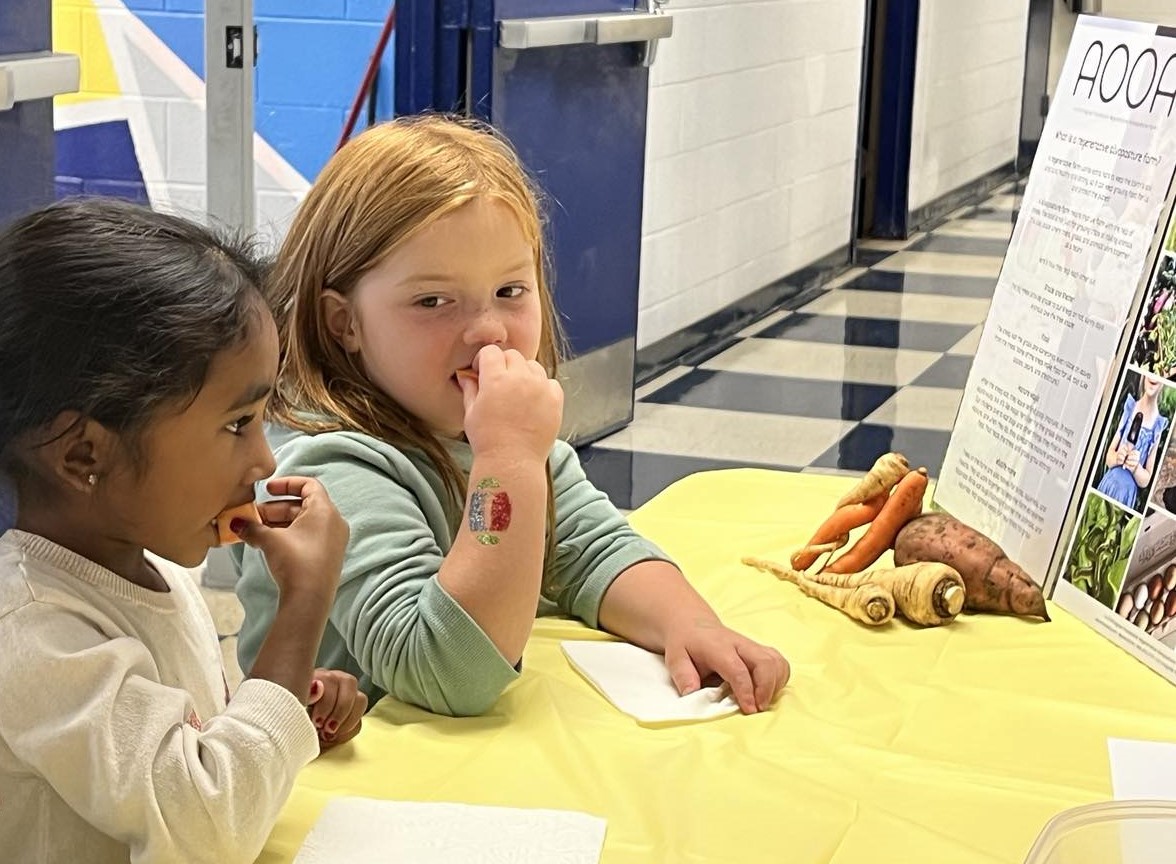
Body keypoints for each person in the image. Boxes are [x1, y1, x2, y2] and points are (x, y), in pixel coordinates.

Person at [234, 115, 789, 719]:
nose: (489, 329)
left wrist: (690, 623)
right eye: (432, 301)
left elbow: (591, 549)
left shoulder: (499, 435)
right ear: (345, 323)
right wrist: (507, 463)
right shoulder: (326, 465)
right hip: (348, 782)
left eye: (510, 292)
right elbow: (446, 671)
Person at [0, 198, 365, 864]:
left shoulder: (161, 571)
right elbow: (208, 826)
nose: (264, 461)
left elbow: (188, 744)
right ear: (85, 455)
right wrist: (303, 606)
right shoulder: (30, 634)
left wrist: (285, 708)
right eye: (236, 425)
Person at [1098, 373, 1168, 510]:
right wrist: (1117, 458)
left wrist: (1136, 468)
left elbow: (1146, 480)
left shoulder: (1157, 426)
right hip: (1109, 483)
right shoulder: (1130, 408)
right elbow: (1109, 456)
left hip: (1126, 494)